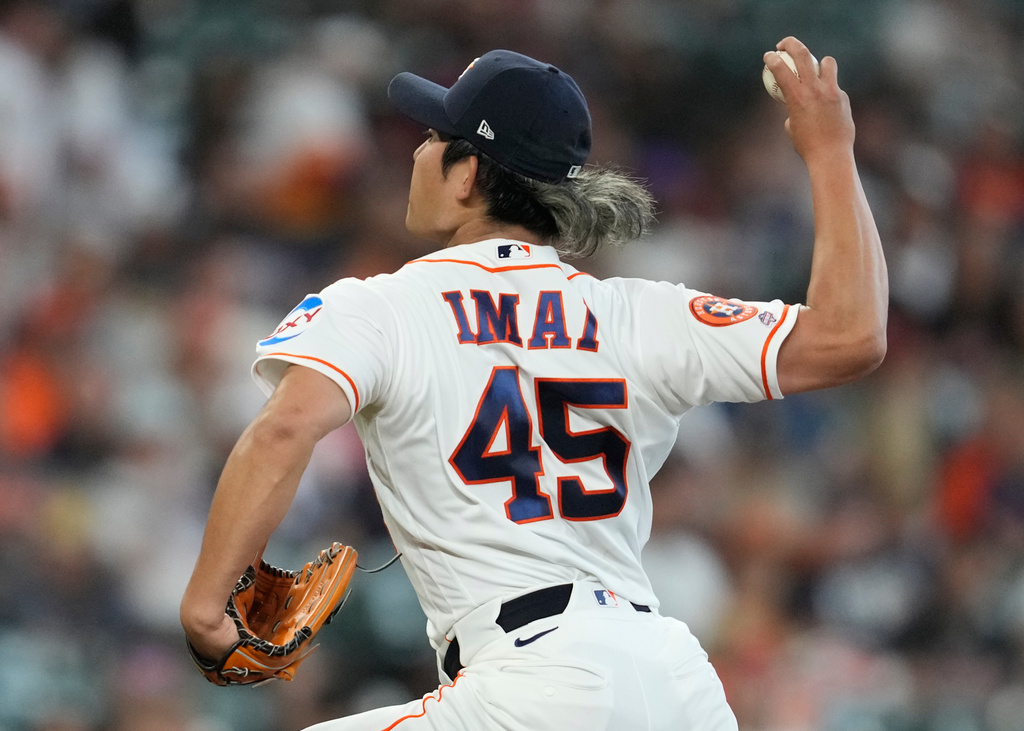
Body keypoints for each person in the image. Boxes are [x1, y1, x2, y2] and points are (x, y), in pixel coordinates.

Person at [181, 38, 887, 730]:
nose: (420, 152)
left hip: (530, 678)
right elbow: (850, 337)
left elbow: (284, 426)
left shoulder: (382, 306)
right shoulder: (636, 312)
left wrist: (207, 608)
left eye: (435, 136)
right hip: (676, 684)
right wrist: (830, 154)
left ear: (467, 175)